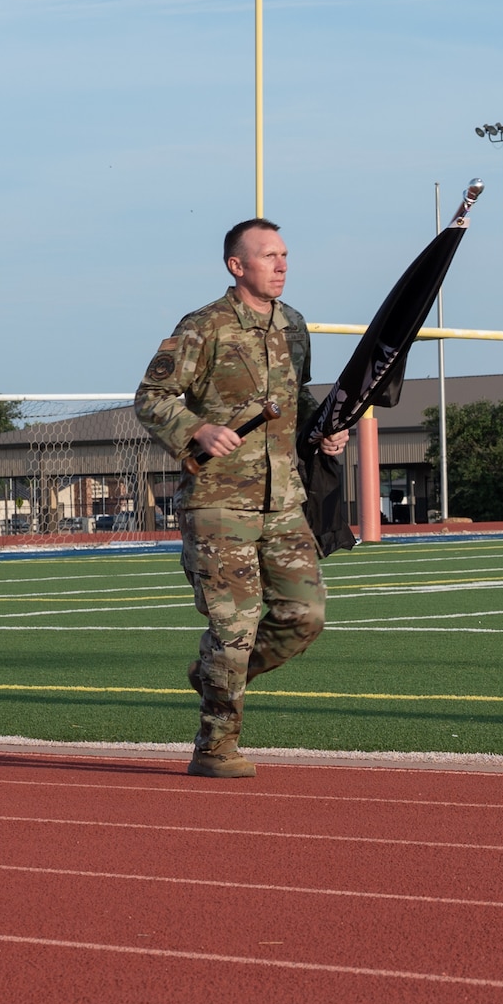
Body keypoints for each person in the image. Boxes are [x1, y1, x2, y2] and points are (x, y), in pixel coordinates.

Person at [134, 218, 349, 778]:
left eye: (284, 255)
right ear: (237, 265)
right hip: (218, 502)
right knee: (235, 630)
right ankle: (216, 744)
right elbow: (152, 397)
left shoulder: (295, 325)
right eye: (268, 256)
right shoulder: (204, 326)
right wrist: (196, 431)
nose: (281, 265)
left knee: (305, 616)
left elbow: (296, 398)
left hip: (283, 500)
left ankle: (215, 676)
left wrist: (323, 431)